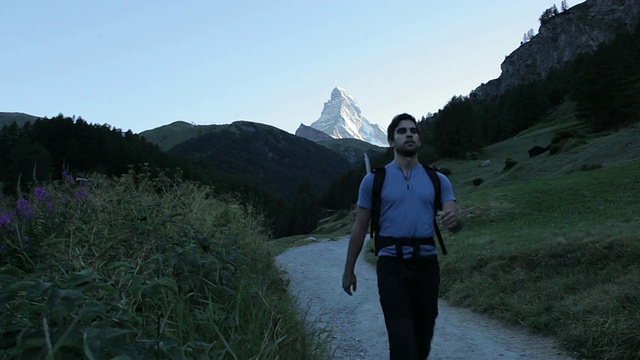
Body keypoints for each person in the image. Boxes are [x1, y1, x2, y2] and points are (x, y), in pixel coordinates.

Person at [341, 113, 461, 360]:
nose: (409, 134)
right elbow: (360, 227)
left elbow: (453, 218)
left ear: (419, 139)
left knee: (423, 336)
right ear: (391, 140)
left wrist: (453, 220)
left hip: (427, 267)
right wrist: (348, 269)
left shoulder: (437, 179)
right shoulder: (374, 180)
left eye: (414, 131)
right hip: (391, 267)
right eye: (402, 131)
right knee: (401, 336)